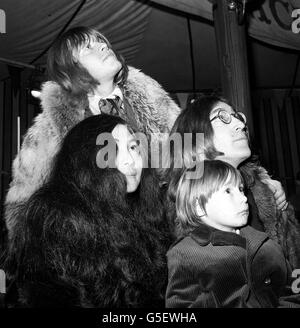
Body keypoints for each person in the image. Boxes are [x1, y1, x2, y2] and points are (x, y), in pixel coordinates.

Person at [4, 26, 180, 238]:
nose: (103, 45)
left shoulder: (155, 103)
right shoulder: (49, 130)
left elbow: (189, 164)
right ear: (69, 68)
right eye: (88, 47)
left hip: (158, 235)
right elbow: (24, 202)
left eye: (101, 41)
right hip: (94, 244)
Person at [5, 114, 170, 307]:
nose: (130, 160)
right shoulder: (56, 221)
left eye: (133, 147)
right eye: (112, 150)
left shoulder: (147, 213)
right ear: (87, 160)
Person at [162, 95, 300, 269]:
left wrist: (282, 208)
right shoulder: (168, 213)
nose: (241, 125)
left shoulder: (263, 191)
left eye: (238, 117)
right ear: (194, 135)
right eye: (223, 117)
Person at [166, 160, 300, 308]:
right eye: (228, 191)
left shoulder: (266, 244)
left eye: (241, 189)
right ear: (199, 207)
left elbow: (293, 288)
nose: (243, 198)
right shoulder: (186, 253)